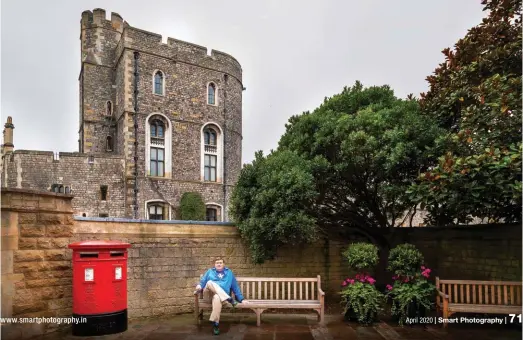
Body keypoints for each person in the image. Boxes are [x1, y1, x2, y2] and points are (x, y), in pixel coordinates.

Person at [194, 257, 248, 335]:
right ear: (214, 265)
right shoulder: (210, 271)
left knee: (217, 297)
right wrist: (199, 286)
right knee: (209, 282)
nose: (219, 264)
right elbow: (202, 282)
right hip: (209, 296)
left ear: (224, 264)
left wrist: (241, 299)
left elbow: (235, 287)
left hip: (220, 299)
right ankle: (229, 299)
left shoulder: (229, 273)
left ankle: (215, 324)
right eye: (217, 263)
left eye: (220, 262)